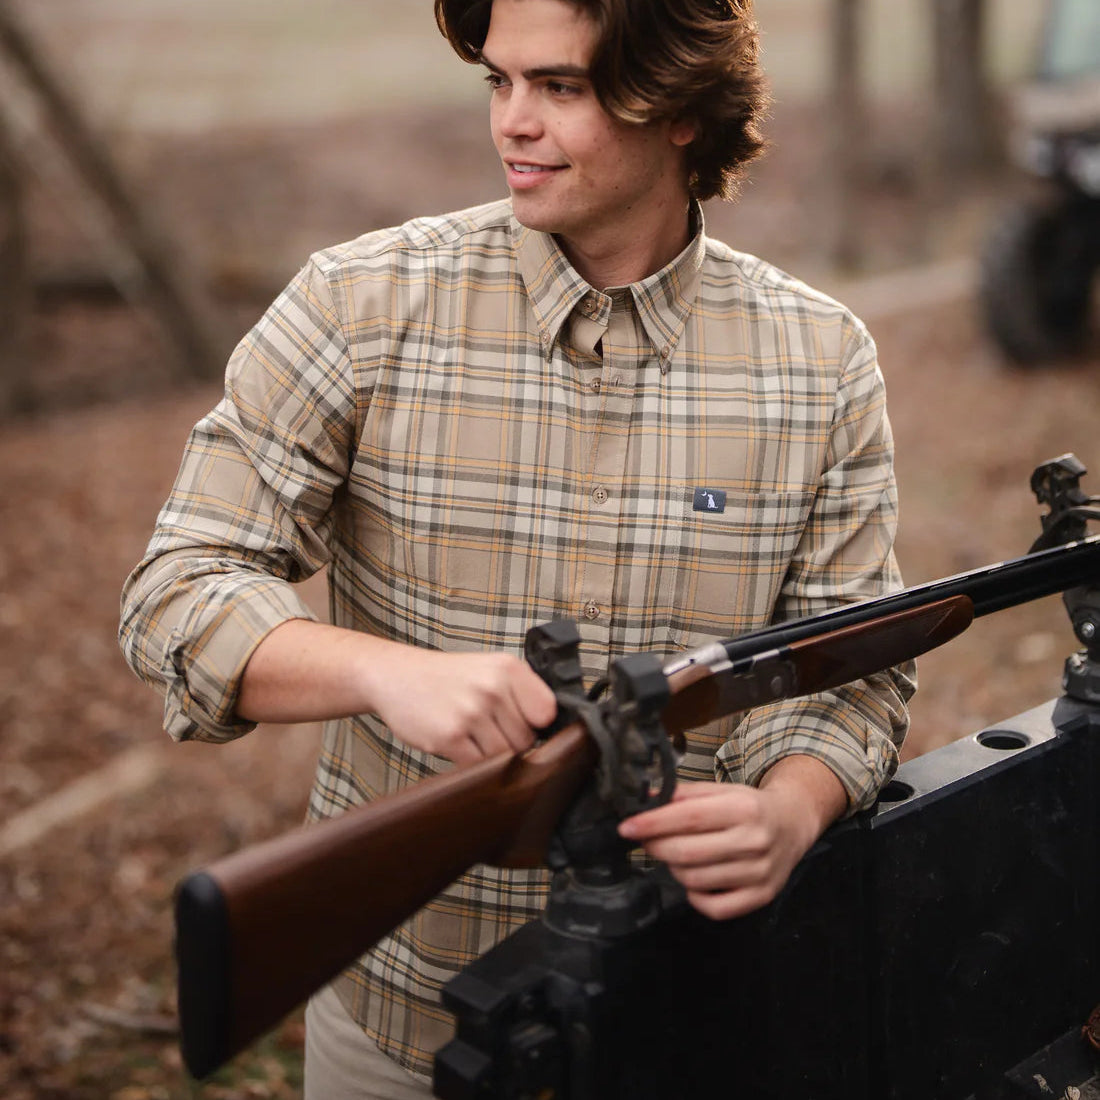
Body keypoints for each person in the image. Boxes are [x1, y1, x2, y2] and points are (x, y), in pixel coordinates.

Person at [119, 0, 915, 1095]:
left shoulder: (819, 361)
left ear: (676, 102)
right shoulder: (359, 305)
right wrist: (381, 671)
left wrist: (791, 802)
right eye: (497, 83)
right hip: (398, 1032)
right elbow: (176, 589)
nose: (510, 124)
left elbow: (850, 670)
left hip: (693, 1019)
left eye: (559, 87)